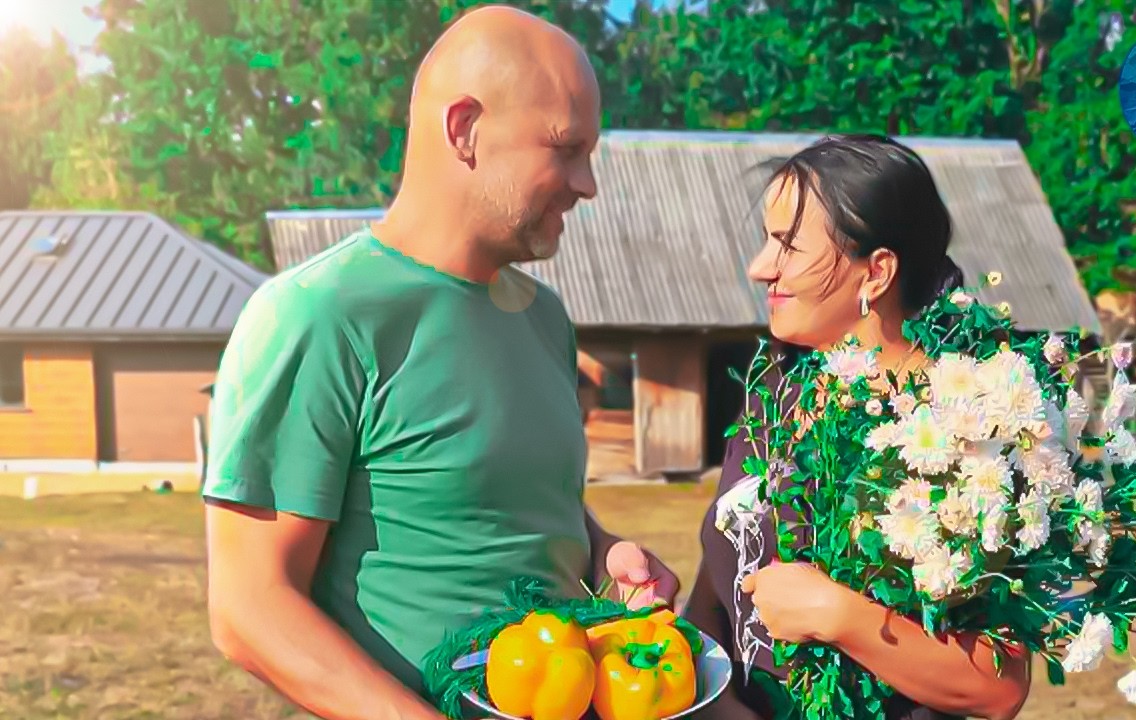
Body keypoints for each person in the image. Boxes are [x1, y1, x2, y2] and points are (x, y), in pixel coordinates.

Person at [201, 7, 677, 720]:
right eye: (565, 147)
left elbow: (490, 507)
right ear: (465, 130)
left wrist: (602, 549)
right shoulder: (319, 314)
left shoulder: (545, 318)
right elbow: (249, 609)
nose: (587, 184)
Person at [682, 135, 1032, 720]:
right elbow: (721, 583)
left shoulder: (956, 428)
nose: (758, 267)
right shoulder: (776, 389)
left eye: (788, 246)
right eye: (767, 241)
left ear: (876, 273)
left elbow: (997, 684)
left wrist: (836, 614)